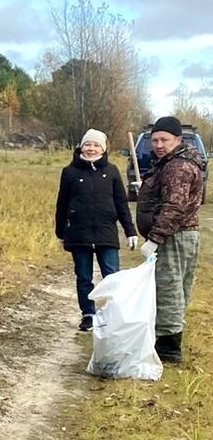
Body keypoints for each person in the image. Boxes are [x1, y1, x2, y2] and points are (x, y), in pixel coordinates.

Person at [135, 115, 204, 364]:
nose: (158, 145)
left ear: (178, 139)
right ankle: (170, 339)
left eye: (164, 140)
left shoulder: (178, 167)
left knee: (169, 288)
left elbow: (174, 207)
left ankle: (168, 348)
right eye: (155, 140)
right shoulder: (173, 163)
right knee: (177, 287)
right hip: (182, 234)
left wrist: (155, 238)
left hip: (174, 235)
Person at [55, 128, 137, 332]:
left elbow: (121, 204)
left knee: (112, 275)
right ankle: (88, 315)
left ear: (103, 148)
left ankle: (113, 314)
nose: (91, 148)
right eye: (87, 144)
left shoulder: (112, 171)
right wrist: (61, 232)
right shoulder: (69, 172)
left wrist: (130, 231)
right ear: (81, 146)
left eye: (96, 145)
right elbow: (62, 204)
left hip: (106, 232)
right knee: (84, 277)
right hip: (79, 233)